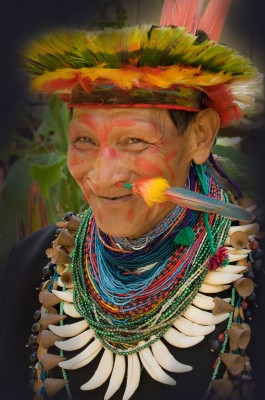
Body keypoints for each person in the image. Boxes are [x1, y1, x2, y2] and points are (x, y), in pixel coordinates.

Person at [1, 1, 264, 399]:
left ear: (200, 137)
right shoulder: (30, 264)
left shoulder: (253, 273)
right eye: (84, 141)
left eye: (135, 141)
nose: (104, 176)